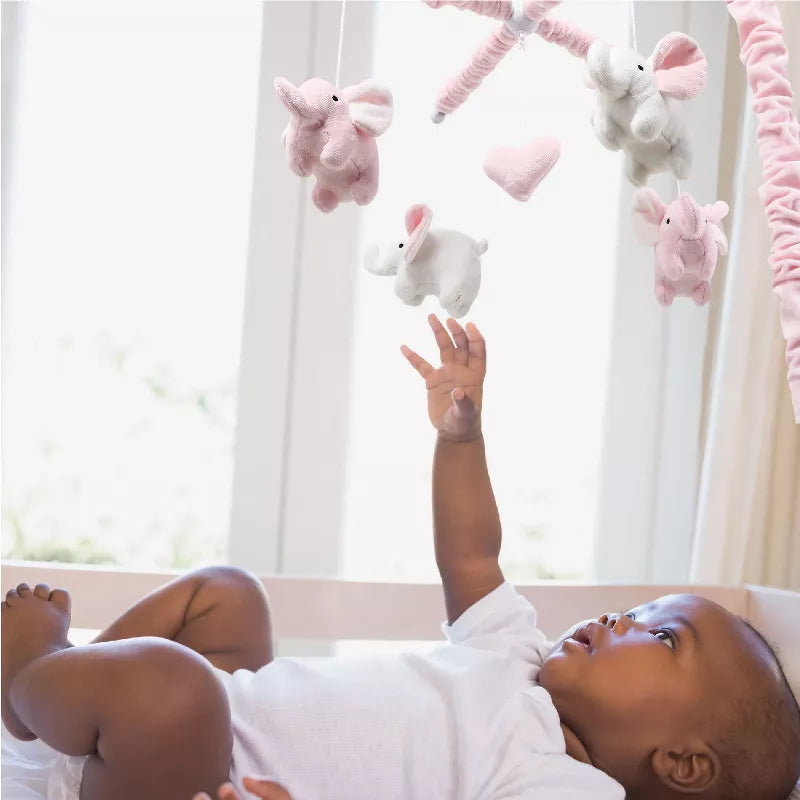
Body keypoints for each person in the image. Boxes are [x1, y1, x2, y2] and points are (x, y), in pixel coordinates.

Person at [3, 316, 799, 800]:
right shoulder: (518, 656)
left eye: (661, 638)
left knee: (172, 693)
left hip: (181, 780)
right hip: (223, 719)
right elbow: (472, 559)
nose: (622, 617)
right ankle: (65, 701)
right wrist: (462, 437)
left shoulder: (562, 786)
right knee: (227, 595)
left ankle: (28, 677)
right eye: (642, 610)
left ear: (684, 764)